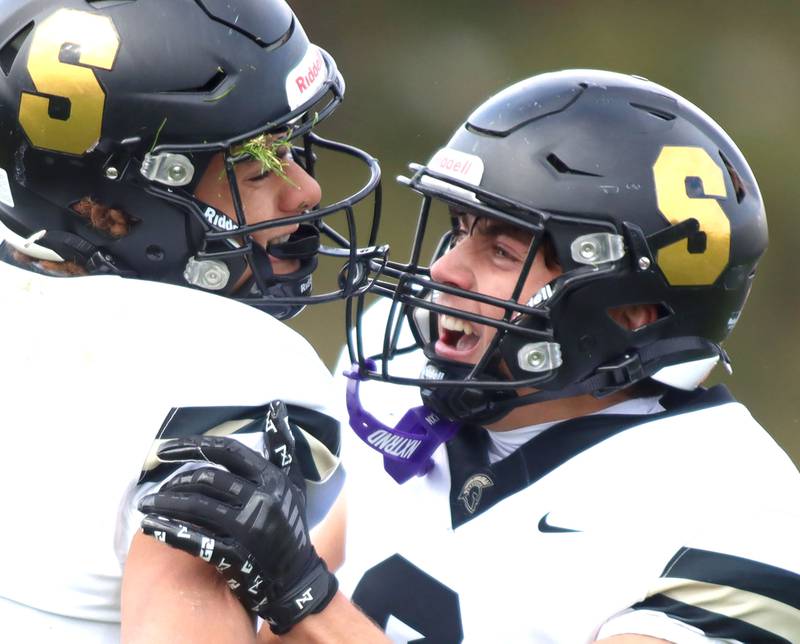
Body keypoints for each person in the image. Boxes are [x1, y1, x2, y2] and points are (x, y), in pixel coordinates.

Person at [139, 70, 800, 642]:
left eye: (503, 252)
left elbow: (313, 601)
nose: (447, 271)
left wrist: (302, 595)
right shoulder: (402, 385)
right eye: (457, 231)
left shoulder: (742, 513)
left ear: (628, 310)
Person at [0, 0, 383, 641]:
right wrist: (306, 599)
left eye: (291, 147)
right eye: (253, 161)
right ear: (118, 204)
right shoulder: (229, 360)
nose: (305, 190)